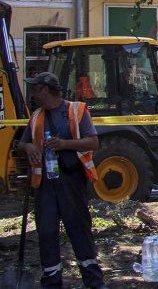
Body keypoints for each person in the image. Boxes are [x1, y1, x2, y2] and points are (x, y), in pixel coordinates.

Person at [16, 72, 109, 289]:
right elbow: (22, 144)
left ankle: (94, 281)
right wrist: (28, 146)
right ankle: (52, 281)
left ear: (46, 90)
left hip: (71, 181)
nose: (32, 94)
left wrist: (64, 144)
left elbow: (93, 142)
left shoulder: (75, 110)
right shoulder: (37, 116)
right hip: (46, 185)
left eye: (35, 89)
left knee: (79, 230)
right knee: (47, 232)